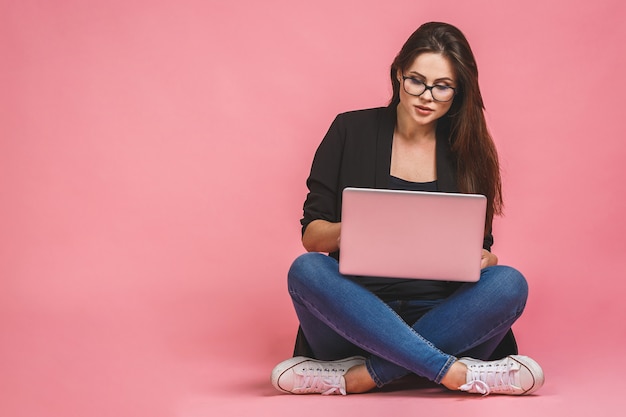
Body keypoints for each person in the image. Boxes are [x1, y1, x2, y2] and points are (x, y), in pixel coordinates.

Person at [270, 22, 544, 396]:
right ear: (399, 73)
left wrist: (483, 259)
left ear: (458, 91)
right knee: (307, 270)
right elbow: (311, 236)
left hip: (443, 316)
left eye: (442, 86)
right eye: (416, 80)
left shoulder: (470, 150)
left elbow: (483, 247)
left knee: (509, 283)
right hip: (357, 315)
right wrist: (358, 228)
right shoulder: (349, 130)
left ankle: (364, 377)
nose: (426, 95)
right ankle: (454, 374)